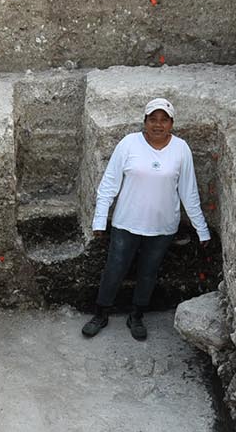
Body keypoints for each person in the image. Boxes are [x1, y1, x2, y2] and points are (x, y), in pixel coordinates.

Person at [83, 97, 211, 341]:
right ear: (145, 121)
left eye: (164, 120)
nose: (158, 125)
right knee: (114, 269)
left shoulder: (181, 149)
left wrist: (202, 230)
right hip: (126, 223)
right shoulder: (129, 144)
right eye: (153, 119)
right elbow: (109, 183)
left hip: (162, 227)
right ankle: (100, 313)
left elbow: (188, 191)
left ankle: (137, 315)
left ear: (172, 123)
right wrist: (100, 220)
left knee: (149, 272)